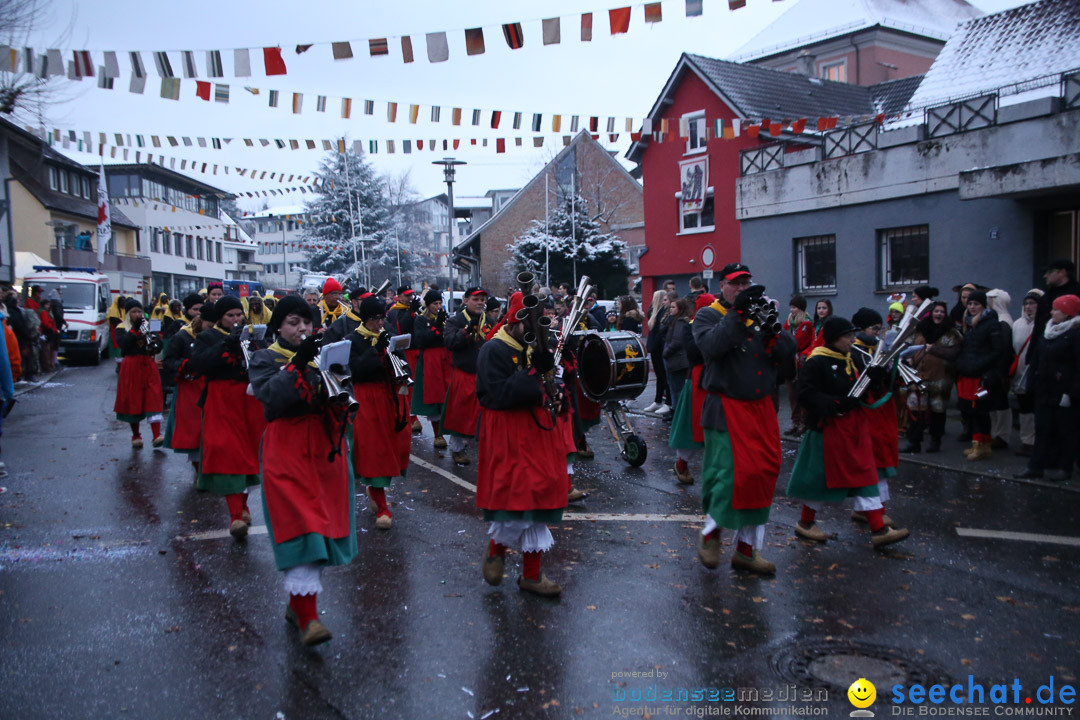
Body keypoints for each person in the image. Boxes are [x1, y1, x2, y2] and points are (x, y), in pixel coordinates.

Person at [248, 296, 356, 647]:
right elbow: (271, 399)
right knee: (301, 527)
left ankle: (298, 605)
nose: (303, 328)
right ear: (279, 325)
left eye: (307, 322)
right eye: (294, 322)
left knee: (323, 529)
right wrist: (297, 363)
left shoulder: (323, 353)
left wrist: (337, 377)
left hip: (325, 449)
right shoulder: (265, 359)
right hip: (287, 449)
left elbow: (346, 399)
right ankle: (309, 619)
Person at [692, 263, 796, 575]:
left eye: (746, 283)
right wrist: (738, 313)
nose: (742, 288)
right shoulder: (708, 315)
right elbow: (712, 346)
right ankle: (711, 534)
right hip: (727, 406)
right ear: (722, 285)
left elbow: (789, 353)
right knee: (730, 475)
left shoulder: (760, 315)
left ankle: (747, 551)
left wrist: (772, 327)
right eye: (736, 284)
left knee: (763, 474)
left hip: (760, 406)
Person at [786, 317, 910, 549]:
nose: (853, 340)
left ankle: (878, 528)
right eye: (848, 336)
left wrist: (876, 379)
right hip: (829, 428)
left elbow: (861, 389)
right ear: (834, 338)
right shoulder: (817, 361)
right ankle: (806, 522)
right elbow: (807, 395)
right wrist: (836, 404)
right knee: (818, 481)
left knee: (864, 473)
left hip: (852, 428)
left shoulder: (852, 357)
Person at [476, 292, 570, 596]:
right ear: (514, 321)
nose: (536, 331)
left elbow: (546, 387)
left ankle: (531, 575)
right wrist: (533, 372)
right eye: (528, 324)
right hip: (509, 431)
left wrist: (556, 396)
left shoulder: (535, 346)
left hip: (537, 432)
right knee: (516, 496)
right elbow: (497, 395)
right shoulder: (494, 349)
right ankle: (496, 549)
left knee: (539, 496)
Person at [189, 295, 267, 539]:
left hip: (247, 399)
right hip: (221, 399)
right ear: (220, 318)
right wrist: (226, 345)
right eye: (230, 316)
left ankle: (242, 508)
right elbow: (199, 365)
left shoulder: (251, 335)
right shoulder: (207, 337)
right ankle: (235, 516)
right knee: (230, 454)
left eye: (238, 315)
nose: (235, 320)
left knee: (247, 453)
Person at [349, 296, 411, 529]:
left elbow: (403, 365)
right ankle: (382, 507)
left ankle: (375, 490)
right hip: (367, 397)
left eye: (382, 318)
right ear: (365, 319)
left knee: (398, 445)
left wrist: (395, 352)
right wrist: (376, 350)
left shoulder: (388, 335)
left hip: (390, 397)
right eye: (375, 319)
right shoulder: (353, 339)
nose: (380, 323)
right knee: (376, 450)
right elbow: (356, 369)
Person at [1017, 294, 1080, 481]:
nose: (1052, 312)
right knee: (1042, 429)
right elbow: (1037, 358)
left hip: (1064, 392)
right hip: (1044, 390)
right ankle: (1036, 466)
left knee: (1066, 431)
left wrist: (1072, 392)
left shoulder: (1075, 334)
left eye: (1056, 309)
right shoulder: (1048, 330)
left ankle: (1065, 467)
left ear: (1067, 313)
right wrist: (1032, 383)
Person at [849, 308, 902, 529]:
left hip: (882, 410)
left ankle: (866, 508)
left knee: (881, 455)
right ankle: (874, 508)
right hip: (867, 411)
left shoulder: (875, 349)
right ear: (860, 330)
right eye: (874, 329)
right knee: (871, 459)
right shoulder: (855, 352)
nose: (877, 333)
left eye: (879, 329)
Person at [901, 301, 960, 453]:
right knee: (915, 410)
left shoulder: (952, 332)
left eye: (941, 311)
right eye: (936, 311)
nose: (939, 314)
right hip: (919, 377)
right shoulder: (919, 329)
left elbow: (954, 354)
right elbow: (905, 346)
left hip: (940, 378)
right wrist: (908, 358)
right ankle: (914, 442)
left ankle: (935, 441)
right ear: (931, 313)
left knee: (937, 411)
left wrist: (934, 349)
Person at [954, 290, 1005, 461]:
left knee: (980, 412)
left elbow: (997, 351)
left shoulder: (991, 324)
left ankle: (983, 445)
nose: (972, 307)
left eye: (975, 304)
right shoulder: (969, 324)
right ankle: (979, 445)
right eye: (969, 304)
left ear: (983, 305)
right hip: (969, 373)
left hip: (981, 375)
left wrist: (980, 365)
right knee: (972, 412)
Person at [442, 288, 491, 465]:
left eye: (482, 299)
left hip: (485, 375)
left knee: (487, 414)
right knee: (459, 414)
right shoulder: (455, 320)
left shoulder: (489, 321)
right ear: (465, 300)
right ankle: (457, 449)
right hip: (464, 373)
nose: (480, 302)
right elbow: (450, 343)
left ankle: (487, 447)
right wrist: (466, 332)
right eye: (476, 299)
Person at [669, 293, 713, 484]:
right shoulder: (690, 328)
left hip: (720, 382)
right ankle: (682, 464)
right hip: (698, 382)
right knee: (692, 429)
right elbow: (696, 352)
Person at [162, 294, 206, 472]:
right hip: (190, 387)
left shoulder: (215, 331)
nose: (198, 313)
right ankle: (198, 469)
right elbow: (169, 360)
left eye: (200, 310)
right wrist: (185, 366)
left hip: (207, 385)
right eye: (194, 309)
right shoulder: (181, 334)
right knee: (193, 430)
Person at [113, 299, 165, 448]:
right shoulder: (121, 327)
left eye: (139, 311)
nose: (137, 315)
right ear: (128, 313)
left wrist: (155, 342)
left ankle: (156, 435)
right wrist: (135, 331)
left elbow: (158, 345)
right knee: (133, 399)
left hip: (148, 364)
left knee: (153, 396)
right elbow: (123, 344)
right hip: (132, 366)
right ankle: (136, 435)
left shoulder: (147, 326)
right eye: (134, 312)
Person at [411, 289, 451, 449]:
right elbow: (422, 339)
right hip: (430, 360)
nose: (439, 306)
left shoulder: (444, 318)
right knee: (435, 396)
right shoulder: (420, 320)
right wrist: (436, 327)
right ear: (428, 305)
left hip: (445, 359)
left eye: (440, 303)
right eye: (435, 303)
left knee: (448, 394)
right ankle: (438, 434)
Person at [1010, 290, 1042, 457]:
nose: (1029, 307)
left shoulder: (1044, 323)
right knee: (1025, 409)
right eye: (1026, 304)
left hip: (1038, 373)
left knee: (1038, 409)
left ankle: (1040, 440)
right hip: (1020, 373)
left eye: (1033, 304)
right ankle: (1027, 441)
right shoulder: (1017, 324)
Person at [985, 289, 1015, 450]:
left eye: (990, 300)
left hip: (999, 370)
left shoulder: (1003, 322)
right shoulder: (1001, 320)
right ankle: (995, 433)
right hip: (995, 369)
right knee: (994, 403)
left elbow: (1004, 350)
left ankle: (1001, 435)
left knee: (1000, 403)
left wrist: (1000, 372)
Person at [782, 294, 813, 437]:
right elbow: (783, 336)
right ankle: (795, 421)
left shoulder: (806, 323)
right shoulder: (790, 321)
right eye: (791, 307)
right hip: (789, 363)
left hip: (800, 363)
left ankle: (804, 422)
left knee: (801, 394)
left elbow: (796, 343)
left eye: (794, 307)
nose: (791, 310)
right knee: (792, 394)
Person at [643, 289, 671, 414]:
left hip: (660, 347)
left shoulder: (663, 312)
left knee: (664, 375)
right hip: (656, 347)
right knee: (660, 375)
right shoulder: (656, 312)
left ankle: (667, 402)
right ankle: (658, 400)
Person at [662, 296, 692, 410]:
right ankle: (675, 410)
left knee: (676, 388)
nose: (670, 309)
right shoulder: (674, 320)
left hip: (676, 360)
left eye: (673, 307)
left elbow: (677, 341)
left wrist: (666, 352)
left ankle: (677, 412)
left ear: (680, 309)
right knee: (673, 386)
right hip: (674, 359)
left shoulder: (680, 322)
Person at [107, 294, 126, 373]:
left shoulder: (123, 309)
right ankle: (119, 366)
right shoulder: (113, 310)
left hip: (123, 331)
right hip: (116, 332)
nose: (123, 303)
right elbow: (114, 323)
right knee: (118, 349)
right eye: (121, 301)